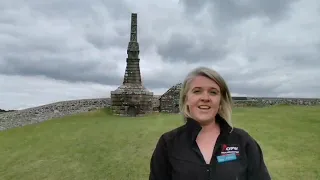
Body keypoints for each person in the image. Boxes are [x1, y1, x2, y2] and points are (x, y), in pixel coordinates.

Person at [149, 67, 271, 180]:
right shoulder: (168, 143)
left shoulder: (243, 141)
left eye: (213, 92)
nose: (205, 98)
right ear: (186, 99)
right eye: (197, 91)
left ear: (221, 101)